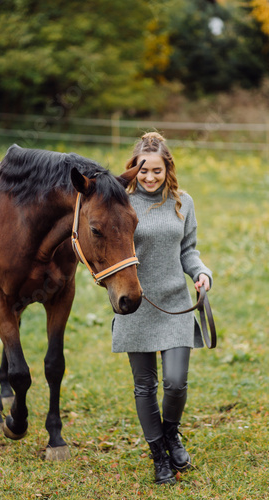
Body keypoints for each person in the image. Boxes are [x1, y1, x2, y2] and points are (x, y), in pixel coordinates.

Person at [112, 132, 212, 485]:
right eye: (142, 171)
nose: (149, 177)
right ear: (133, 169)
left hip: (175, 304)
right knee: (144, 386)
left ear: (167, 167)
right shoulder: (120, 202)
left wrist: (201, 273)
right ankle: (159, 457)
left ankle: (171, 434)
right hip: (135, 304)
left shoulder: (183, 202)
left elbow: (189, 249)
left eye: (156, 170)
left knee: (175, 382)